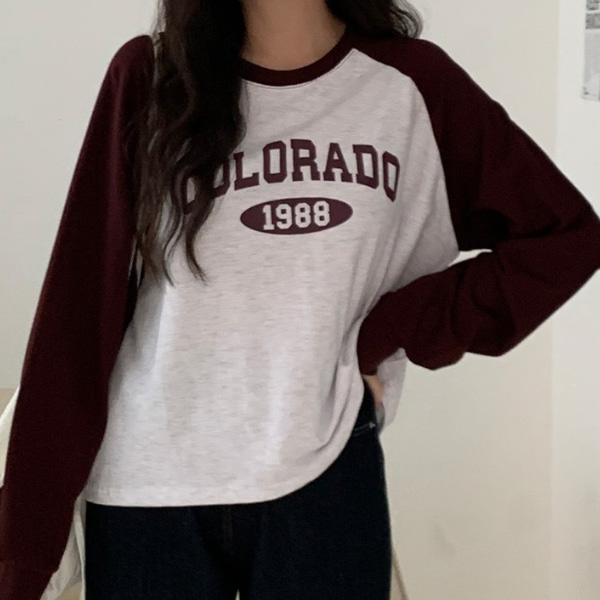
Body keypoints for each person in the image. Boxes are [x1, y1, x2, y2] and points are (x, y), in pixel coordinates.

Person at [1, 1, 600, 599]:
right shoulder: (150, 78)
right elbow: (78, 313)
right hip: (148, 490)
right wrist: (23, 551)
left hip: (324, 470)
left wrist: (390, 328)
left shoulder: (413, 85)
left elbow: (565, 238)